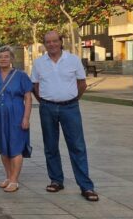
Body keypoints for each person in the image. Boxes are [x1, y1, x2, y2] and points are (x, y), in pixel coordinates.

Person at [31, 31, 98, 201]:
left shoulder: (73, 60)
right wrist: (45, 101)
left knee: (77, 146)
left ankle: (86, 186)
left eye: (55, 41)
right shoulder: (39, 63)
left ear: (61, 42)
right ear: (44, 45)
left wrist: (72, 99)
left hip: (70, 108)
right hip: (47, 108)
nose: (51, 44)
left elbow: (82, 84)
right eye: (48, 42)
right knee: (50, 146)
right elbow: (35, 86)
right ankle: (56, 180)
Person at [0, 46, 33, 193]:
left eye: (6, 56)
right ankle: (9, 177)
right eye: (0, 57)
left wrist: (26, 118)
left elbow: (28, 98)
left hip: (17, 115)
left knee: (16, 147)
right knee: (3, 147)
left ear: (12, 59)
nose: (3, 59)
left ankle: (15, 181)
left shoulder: (21, 75)